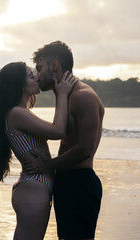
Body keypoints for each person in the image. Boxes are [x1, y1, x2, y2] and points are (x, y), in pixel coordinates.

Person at [0, 61, 77, 240]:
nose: (36, 77)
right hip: (33, 188)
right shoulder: (16, 113)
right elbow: (58, 131)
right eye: (31, 76)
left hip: (34, 187)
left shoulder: (17, 112)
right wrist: (61, 95)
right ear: (19, 85)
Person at [30, 41, 105, 240]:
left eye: (39, 68)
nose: (37, 76)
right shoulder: (65, 96)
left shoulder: (82, 97)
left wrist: (46, 165)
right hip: (68, 182)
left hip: (79, 183)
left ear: (55, 65)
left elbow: (85, 149)